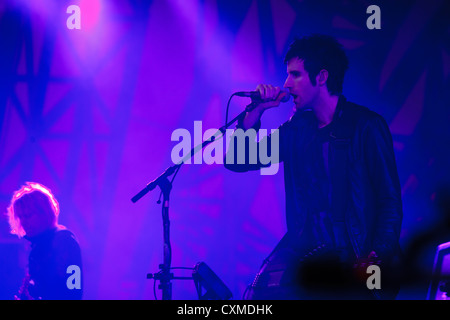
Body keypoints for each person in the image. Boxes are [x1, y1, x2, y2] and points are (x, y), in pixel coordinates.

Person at [225, 34, 403, 300]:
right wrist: (256, 112)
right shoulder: (297, 130)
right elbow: (239, 160)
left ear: (321, 77)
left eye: (295, 75)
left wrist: (375, 257)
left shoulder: (366, 126)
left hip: (357, 260)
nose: (286, 84)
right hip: (310, 263)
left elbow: (389, 201)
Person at [6, 182, 82, 300]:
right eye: (21, 217)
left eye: (28, 215)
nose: (23, 222)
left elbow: (74, 291)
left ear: (44, 213)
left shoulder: (64, 241)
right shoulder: (38, 246)